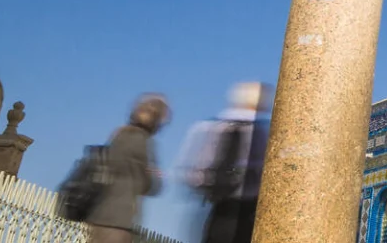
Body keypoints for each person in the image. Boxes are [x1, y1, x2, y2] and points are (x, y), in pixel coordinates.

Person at [179, 82, 270, 243]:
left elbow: (190, 170)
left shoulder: (207, 127)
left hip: (217, 206)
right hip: (248, 209)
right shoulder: (263, 131)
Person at [87, 94, 170, 243]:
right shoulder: (143, 142)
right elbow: (151, 185)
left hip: (101, 213)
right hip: (119, 220)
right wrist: (154, 176)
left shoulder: (119, 135)